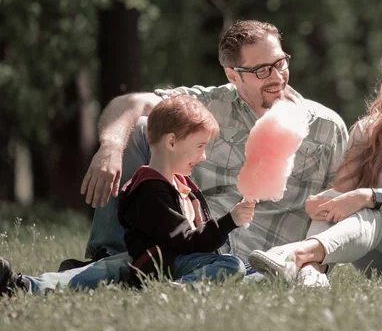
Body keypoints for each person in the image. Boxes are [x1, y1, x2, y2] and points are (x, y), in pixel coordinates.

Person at [39, 19, 348, 290]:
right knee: (143, 127)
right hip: (198, 244)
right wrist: (109, 147)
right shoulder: (210, 107)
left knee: (129, 273)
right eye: (261, 70)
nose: (277, 76)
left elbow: (340, 207)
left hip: (265, 258)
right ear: (233, 75)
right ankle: (105, 255)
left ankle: (110, 273)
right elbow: (131, 103)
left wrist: (313, 262)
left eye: (280, 62)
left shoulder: (325, 128)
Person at [248, 34, 382, 285]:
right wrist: (322, 201)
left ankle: (295, 256)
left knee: (372, 211)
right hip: (377, 258)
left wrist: (366, 196)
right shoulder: (368, 130)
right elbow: (341, 189)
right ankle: (313, 275)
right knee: (330, 204)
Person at [0, 96, 254, 296]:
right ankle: (22, 285)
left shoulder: (182, 186)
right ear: (172, 142)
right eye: (200, 146)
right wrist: (229, 221)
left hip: (176, 260)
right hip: (158, 264)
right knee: (232, 267)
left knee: (246, 269)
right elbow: (185, 241)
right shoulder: (150, 189)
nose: (204, 156)